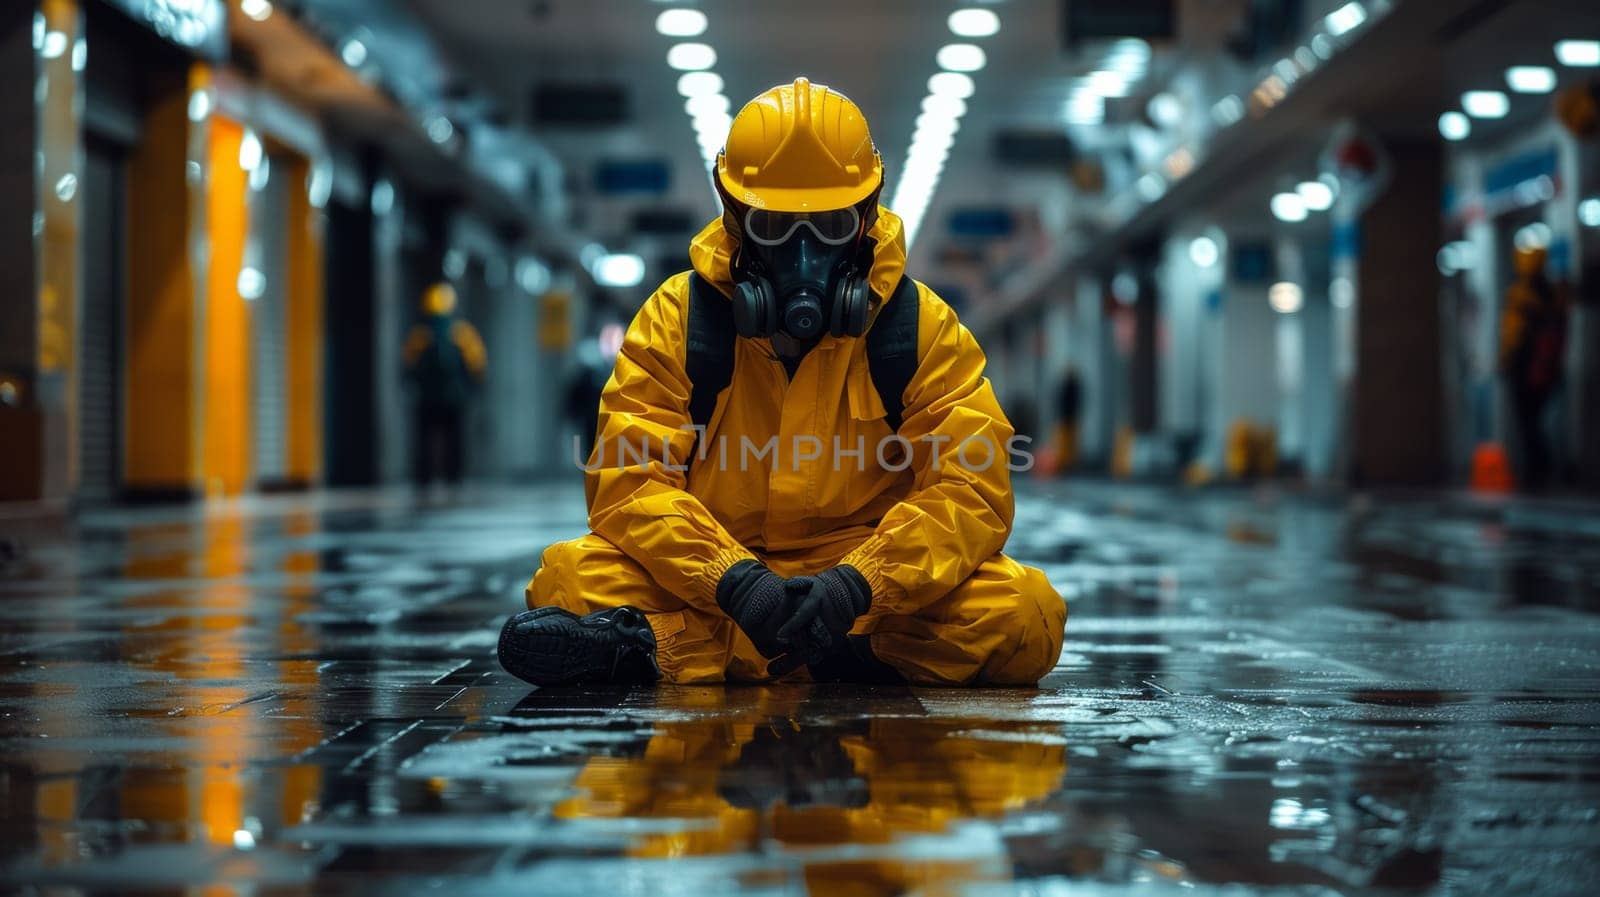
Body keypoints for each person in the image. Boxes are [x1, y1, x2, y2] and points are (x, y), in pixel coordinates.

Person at [497, 78, 1065, 687]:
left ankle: (656, 648)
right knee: (570, 576)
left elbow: (970, 489)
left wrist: (860, 584)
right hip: (717, 577)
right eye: (772, 228)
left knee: (1023, 612)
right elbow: (629, 482)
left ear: (867, 216)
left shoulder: (918, 327)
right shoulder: (679, 320)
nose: (803, 258)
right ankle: (844, 657)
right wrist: (734, 579)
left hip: (864, 587)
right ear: (735, 217)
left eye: (831, 227)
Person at [402, 282, 486, 487]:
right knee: (454, 440)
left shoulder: (420, 335)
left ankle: (424, 478)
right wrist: (473, 388)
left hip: (427, 398)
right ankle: (454, 477)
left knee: (424, 440)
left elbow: (408, 365)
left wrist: (413, 386)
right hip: (454, 398)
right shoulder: (462, 333)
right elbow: (477, 364)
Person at [1498, 245, 1568, 490]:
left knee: (1528, 423)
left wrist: (1506, 360)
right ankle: (1539, 471)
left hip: (1527, 369)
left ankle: (1536, 472)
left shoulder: (1523, 295)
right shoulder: (1551, 294)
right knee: (1532, 422)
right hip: (1545, 369)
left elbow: (1513, 334)